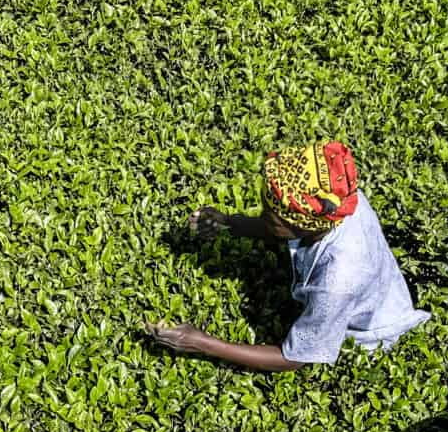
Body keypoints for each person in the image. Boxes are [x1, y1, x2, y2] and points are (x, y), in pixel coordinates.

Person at [147, 140, 430, 371]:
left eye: (272, 215)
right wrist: (230, 223)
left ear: (302, 225)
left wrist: (201, 342)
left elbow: (293, 358)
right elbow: (284, 228)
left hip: (367, 334)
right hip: (372, 291)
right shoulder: (337, 200)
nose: (264, 217)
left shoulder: (337, 282)